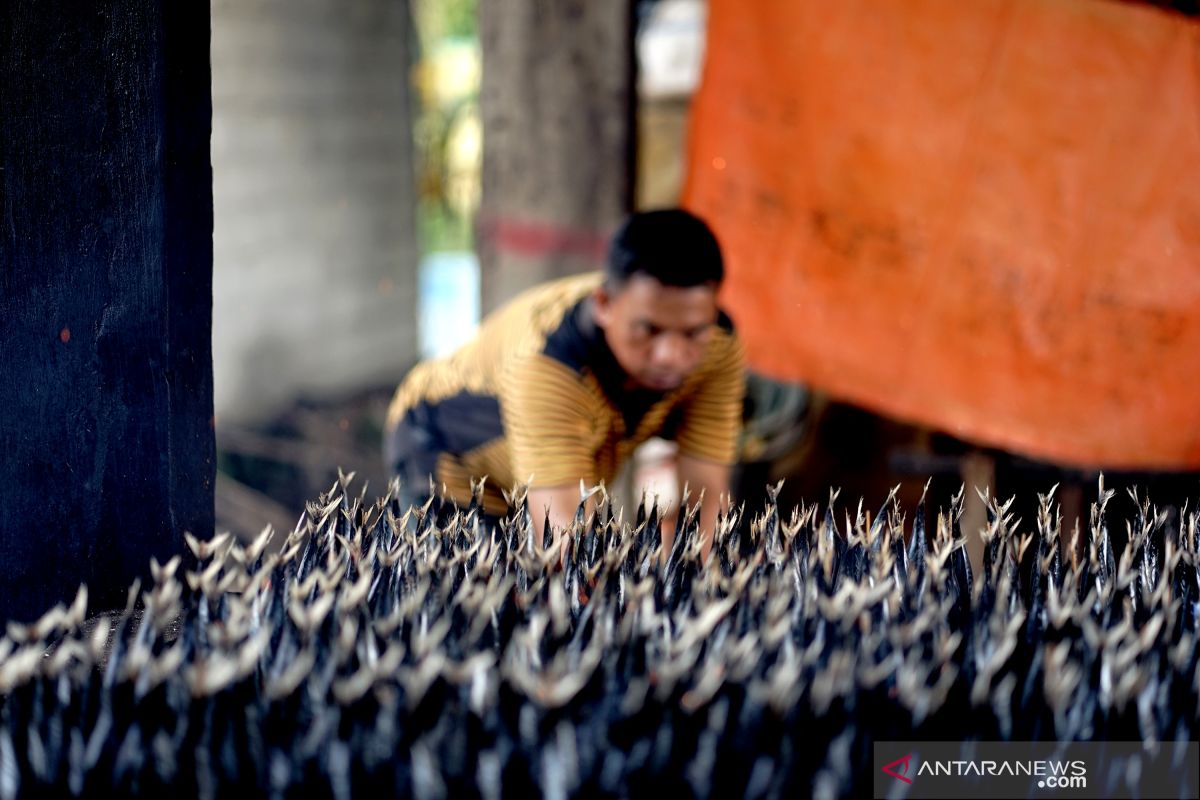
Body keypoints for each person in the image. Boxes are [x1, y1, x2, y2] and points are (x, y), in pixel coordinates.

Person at [383, 208, 745, 559]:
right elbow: (563, 540)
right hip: (444, 445)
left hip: (554, 451)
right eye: (649, 330)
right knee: (470, 594)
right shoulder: (546, 361)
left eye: (693, 332)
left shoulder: (717, 343)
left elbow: (707, 493)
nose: (670, 354)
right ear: (604, 305)